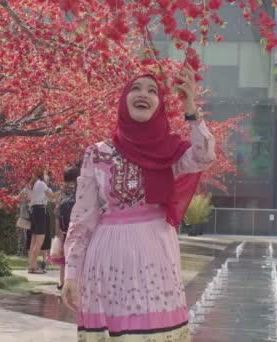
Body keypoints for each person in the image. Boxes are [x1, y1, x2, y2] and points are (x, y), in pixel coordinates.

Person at [62, 64, 215, 341]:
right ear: (123, 100)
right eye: (136, 88)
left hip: (155, 258)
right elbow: (82, 218)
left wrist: (191, 106)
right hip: (106, 261)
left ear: (159, 105)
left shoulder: (170, 152)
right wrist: (71, 273)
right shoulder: (97, 153)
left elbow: (204, 155)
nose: (143, 94)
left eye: (152, 90)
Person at [24, 170, 58, 274]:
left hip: (33, 211)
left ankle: (31, 266)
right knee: (38, 242)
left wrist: (31, 199)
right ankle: (34, 267)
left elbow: (22, 196)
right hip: (40, 211)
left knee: (33, 242)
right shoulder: (42, 184)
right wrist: (63, 191)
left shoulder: (31, 184)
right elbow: (52, 196)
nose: (47, 176)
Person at [55, 165, 81, 291]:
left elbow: (58, 215)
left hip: (65, 232)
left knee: (64, 261)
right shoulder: (79, 193)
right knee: (73, 259)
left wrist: (58, 233)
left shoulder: (64, 195)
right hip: (76, 233)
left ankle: (62, 283)